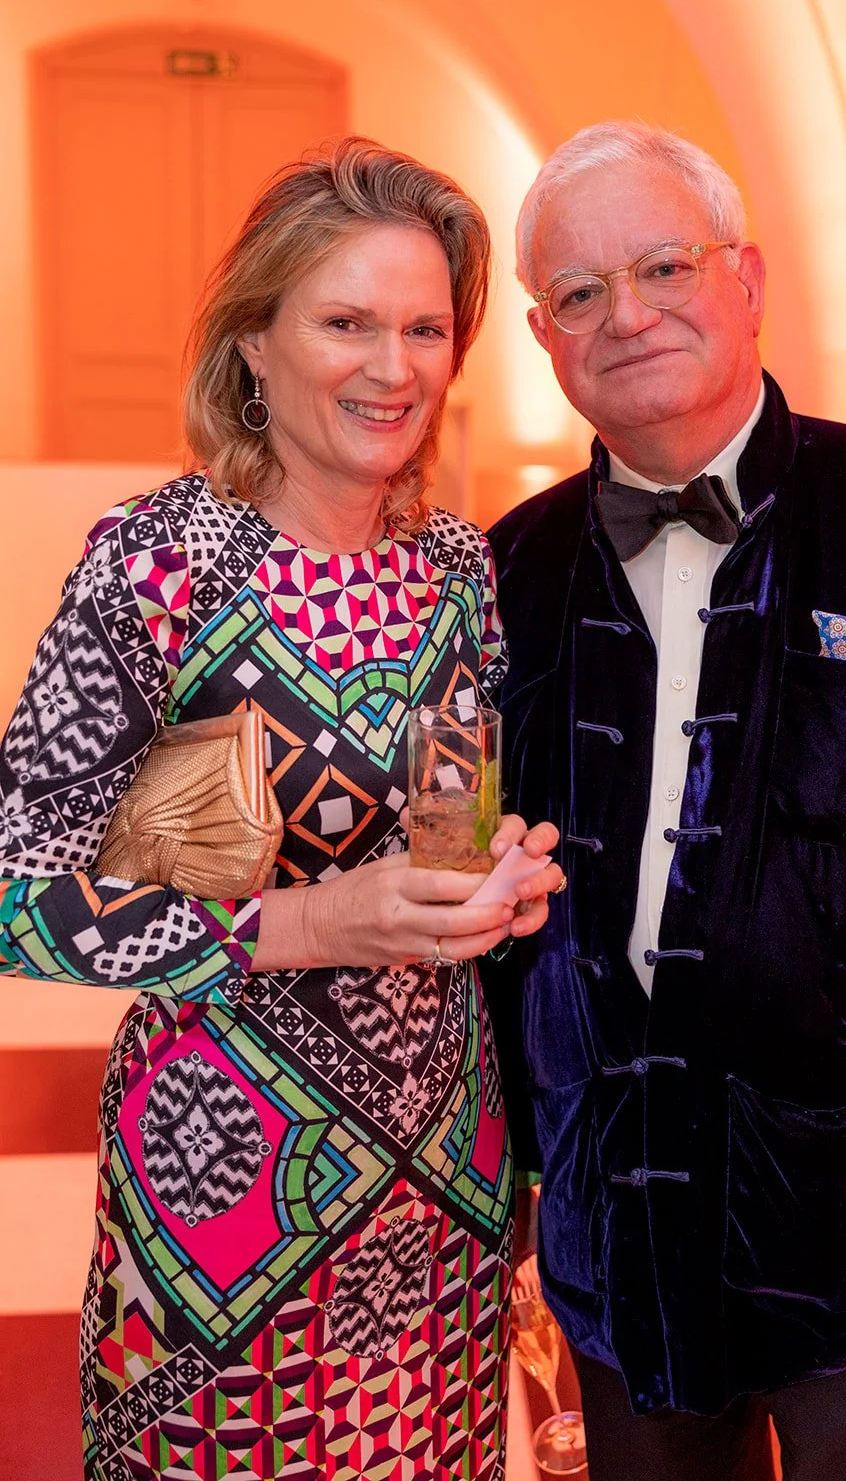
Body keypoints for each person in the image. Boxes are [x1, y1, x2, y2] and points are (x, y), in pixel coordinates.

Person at [483, 120, 846, 1481]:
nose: (627, 314)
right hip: (623, 1244)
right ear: (543, 336)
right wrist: (528, 1168)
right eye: (580, 291)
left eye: (663, 266)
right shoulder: (507, 574)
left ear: (744, 278)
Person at [0, 136, 562, 1481]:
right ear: (253, 345)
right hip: (223, 1195)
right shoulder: (160, 563)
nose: (394, 367)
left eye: (425, 329)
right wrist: (305, 924)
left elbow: (447, 820)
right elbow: (17, 893)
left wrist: (496, 872)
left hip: (444, 1179)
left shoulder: (455, 568)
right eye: (346, 323)